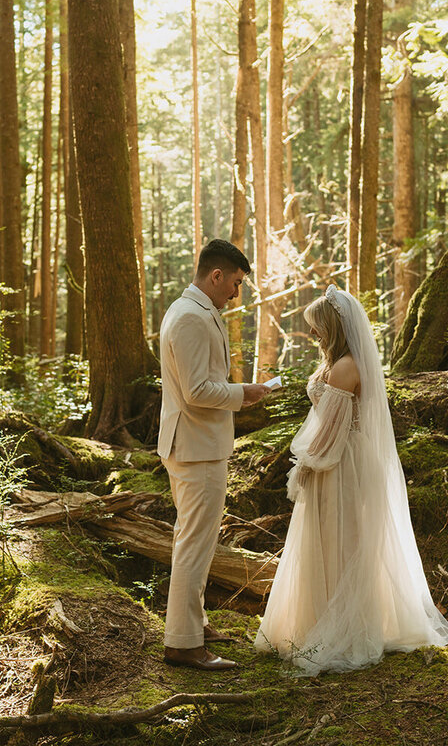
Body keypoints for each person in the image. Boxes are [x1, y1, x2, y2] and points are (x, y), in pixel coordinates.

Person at [255, 285, 448, 675]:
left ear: (333, 327)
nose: (313, 334)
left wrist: (308, 463)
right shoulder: (335, 362)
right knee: (329, 539)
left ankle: (345, 627)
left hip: (343, 463)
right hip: (334, 458)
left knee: (343, 540)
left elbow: (331, 429)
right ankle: (316, 619)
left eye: (317, 327)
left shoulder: (346, 367)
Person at [157, 239, 271, 671]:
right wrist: (246, 393)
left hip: (196, 443)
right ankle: (184, 645)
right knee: (194, 544)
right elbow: (197, 391)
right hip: (194, 447)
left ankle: (194, 624)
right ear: (215, 275)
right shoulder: (189, 317)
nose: (237, 293)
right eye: (236, 283)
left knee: (195, 541)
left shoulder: (198, 311)